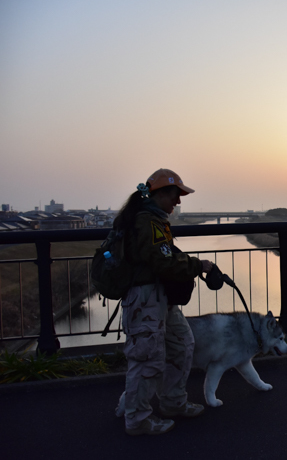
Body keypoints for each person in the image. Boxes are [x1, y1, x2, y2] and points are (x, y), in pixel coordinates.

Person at [114, 168, 213, 436]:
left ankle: (172, 403)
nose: (178, 202)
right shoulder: (146, 222)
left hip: (161, 296)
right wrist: (198, 265)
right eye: (174, 195)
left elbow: (164, 259)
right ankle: (137, 419)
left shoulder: (155, 220)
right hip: (145, 298)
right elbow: (163, 262)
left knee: (182, 344)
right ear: (158, 194)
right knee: (146, 358)